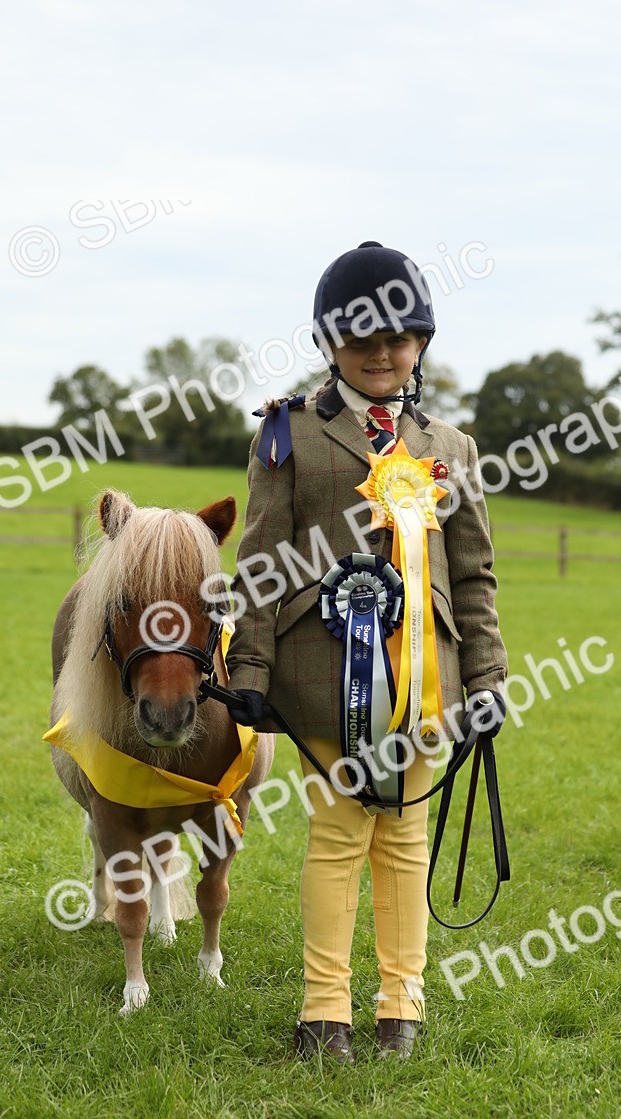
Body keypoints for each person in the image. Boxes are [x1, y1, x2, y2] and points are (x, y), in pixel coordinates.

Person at [225, 241, 508, 1062]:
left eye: (399, 337)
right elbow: (260, 560)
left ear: (421, 342)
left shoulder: (450, 447)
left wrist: (486, 676)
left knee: (406, 839)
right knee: (340, 836)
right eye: (362, 341)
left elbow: (474, 573)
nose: (382, 354)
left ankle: (401, 1010)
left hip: (429, 680)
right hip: (326, 678)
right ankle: (324, 1014)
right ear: (329, 345)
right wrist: (248, 668)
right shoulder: (289, 434)